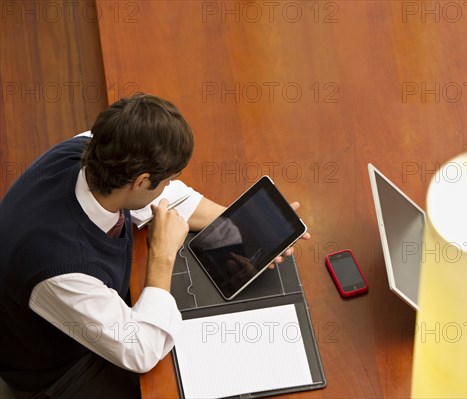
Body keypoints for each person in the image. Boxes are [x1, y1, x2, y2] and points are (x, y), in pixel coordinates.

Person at [0, 93, 306, 398]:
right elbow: (141, 349)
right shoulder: (59, 267)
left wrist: (245, 228)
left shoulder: (97, 147)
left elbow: (168, 198)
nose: (170, 186)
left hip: (88, 312)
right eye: (167, 179)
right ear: (141, 180)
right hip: (60, 370)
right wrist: (162, 256)